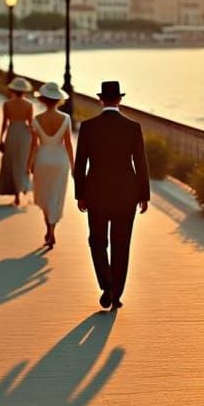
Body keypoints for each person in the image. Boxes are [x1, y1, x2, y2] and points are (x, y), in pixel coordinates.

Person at [74, 80, 149, 311]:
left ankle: (106, 285)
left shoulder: (88, 127)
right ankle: (116, 294)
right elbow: (141, 163)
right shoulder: (133, 127)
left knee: (96, 241)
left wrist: (81, 194)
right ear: (120, 99)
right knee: (121, 245)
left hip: (96, 193)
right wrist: (143, 195)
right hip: (127, 194)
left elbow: (80, 165)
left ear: (100, 99)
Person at [28, 82, 74, 249]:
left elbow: (34, 145)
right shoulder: (66, 119)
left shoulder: (37, 119)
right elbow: (68, 144)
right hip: (60, 160)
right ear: (58, 100)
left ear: (43, 100)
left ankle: (49, 229)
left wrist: (29, 164)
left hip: (43, 158)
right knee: (56, 195)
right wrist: (74, 165)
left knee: (45, 195)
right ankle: (52, 230)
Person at [0, 77, 34, 205]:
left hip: (12, 133)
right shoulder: (29, 105)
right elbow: (31, 123)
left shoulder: (7, 104)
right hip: (24, 134)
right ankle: (22, 187)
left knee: (11, 162)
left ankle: (16, 194)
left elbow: (4, 122)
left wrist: (1, 138)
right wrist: (35, 139)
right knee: (22, 163)